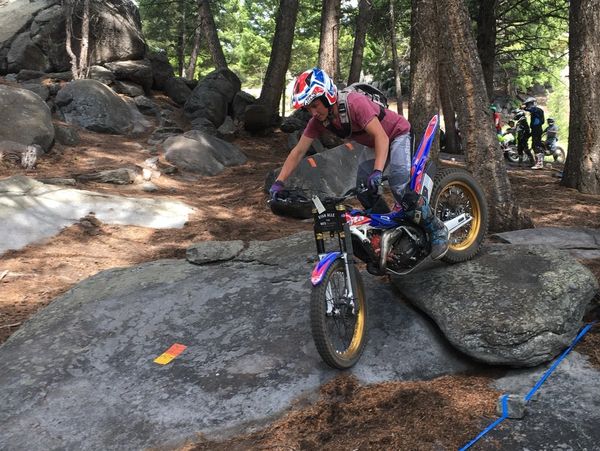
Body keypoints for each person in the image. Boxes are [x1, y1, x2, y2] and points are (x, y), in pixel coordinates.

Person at [268, 67, 448, 260]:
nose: (313, 112)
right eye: (308, 108)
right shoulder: (319, 120)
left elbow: (381, 136)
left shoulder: (354, 103)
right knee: (363, 190)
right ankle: (392, 232)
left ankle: (437, 230)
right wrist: (279, 182)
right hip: (373, 143)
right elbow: (298, 151)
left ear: (328, 96)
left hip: (396, 135)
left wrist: (378, 170)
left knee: (399, 185)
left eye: (314, 105)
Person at [523, 96, 545, 169]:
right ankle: (538, 162)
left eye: (529, 104)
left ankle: (539, 163)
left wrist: (524, 108)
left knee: (536, 146)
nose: (528, 106)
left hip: (537, 129)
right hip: (535, 129)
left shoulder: (537, 110)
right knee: (534, 146)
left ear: (533, 103)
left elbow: (529, 109)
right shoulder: (535, 111)